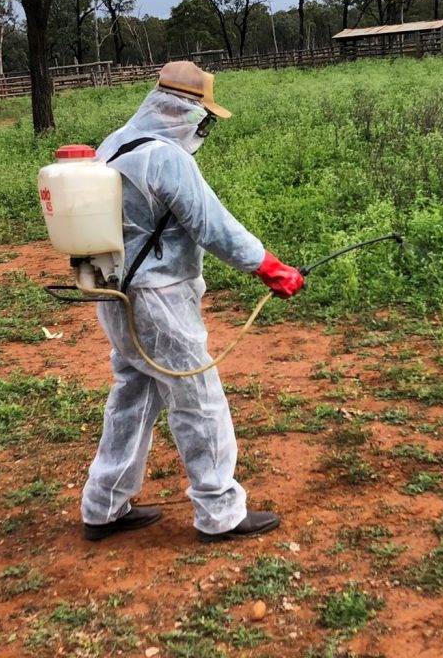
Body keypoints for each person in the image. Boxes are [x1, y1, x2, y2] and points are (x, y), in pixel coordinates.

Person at [81, 61, 305, 543]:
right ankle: (221, 512)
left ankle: (104, 505)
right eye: (203, 119)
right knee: (198, 397)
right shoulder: (165, 158)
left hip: (114, 292)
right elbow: (212, 225)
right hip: (159, 301)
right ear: (183, 110)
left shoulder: (113, 144)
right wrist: (269, 267)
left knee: (133, 395)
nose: (203, 130)